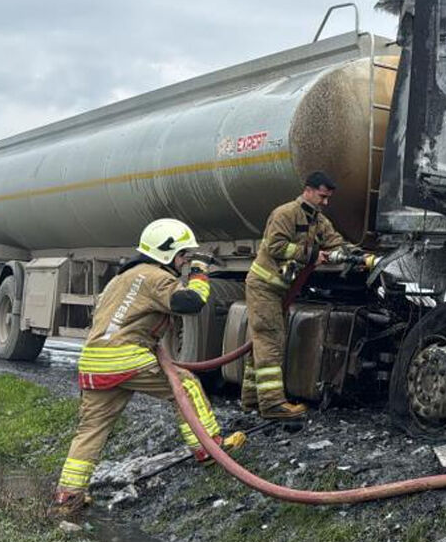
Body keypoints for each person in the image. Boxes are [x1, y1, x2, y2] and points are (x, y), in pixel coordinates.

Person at [51, 218, 245, 518]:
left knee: (91, 430)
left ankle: (69, 496)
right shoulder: (155, 277)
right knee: (186, 385)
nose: (184, 261)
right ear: (167, 254)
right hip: (124, 357)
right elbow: (190, 302)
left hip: (93, 361)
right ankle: (209, 449)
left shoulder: (121, 278)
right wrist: (199, 273)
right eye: (182, 255)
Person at [242, 171, 373, 419]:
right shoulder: (286, 213)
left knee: (260, 345)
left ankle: (251, 400)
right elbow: (276, 246)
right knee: (271, 342)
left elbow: (334, 242)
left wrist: (361, 256)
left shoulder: (318, 220)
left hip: (280, 290)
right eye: (322, 196)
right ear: (308, 190)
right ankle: (272, 406)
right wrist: (312, 255)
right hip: (264, 286)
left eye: (328, 198)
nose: (325, 202)